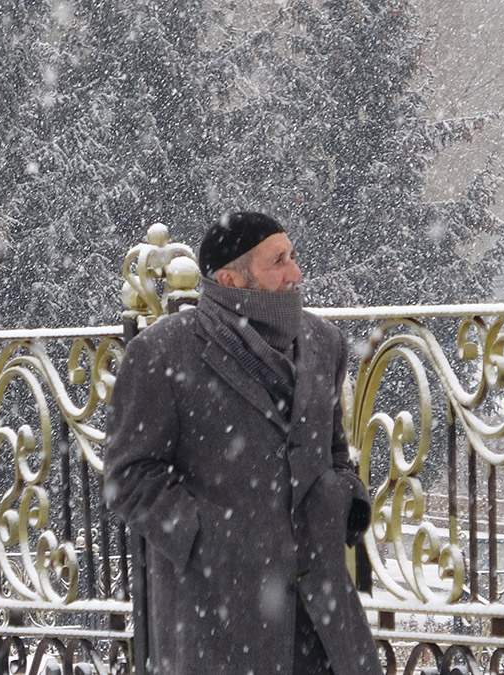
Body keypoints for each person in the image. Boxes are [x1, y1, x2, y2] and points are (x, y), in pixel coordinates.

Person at [105, 212, 383, 674]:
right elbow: (129, 475)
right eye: (278, 261)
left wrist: (343, 499)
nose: (295, 272)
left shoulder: (323, 342)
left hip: (323, 612)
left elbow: (334, 447)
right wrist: (209, 539)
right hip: (219, 616)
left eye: (292, 257)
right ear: (230, 277)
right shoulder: (162, 352)